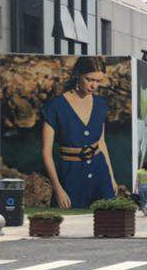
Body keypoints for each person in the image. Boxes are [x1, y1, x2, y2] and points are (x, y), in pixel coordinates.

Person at [39, 56, 119, 209]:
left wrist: (111, 177)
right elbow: (46, 153)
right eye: (89, 79)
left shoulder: (101, 104)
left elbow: (101, 143)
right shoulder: (55, 107)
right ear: (77, 74)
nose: (94, 85)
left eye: (98, 81)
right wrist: (58, 189)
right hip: (70, 176)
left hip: (100, 174)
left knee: (107, 220)